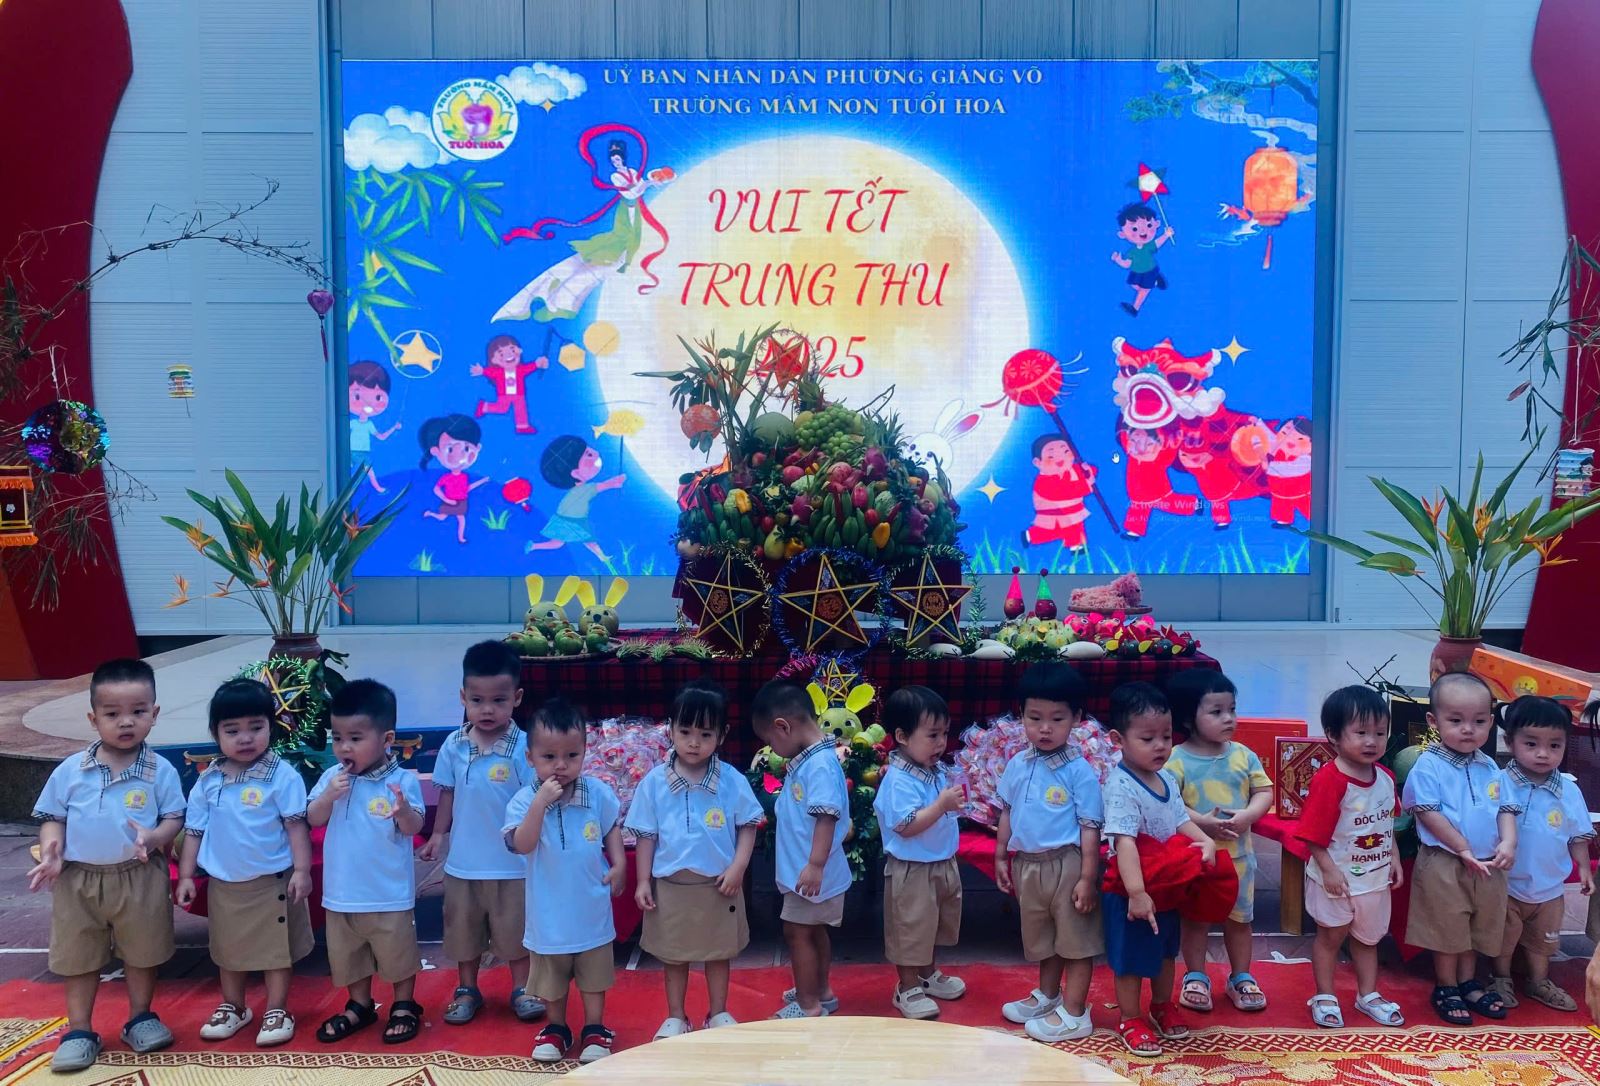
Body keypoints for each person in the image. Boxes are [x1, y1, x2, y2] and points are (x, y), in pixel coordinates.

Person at [27, 659, 186, 1072]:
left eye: (138, 711)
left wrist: (156, 836)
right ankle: (80, 1030)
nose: (126, 722)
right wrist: (51, 850)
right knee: (78, 955)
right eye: (112, 714)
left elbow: (174, 817)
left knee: (143, 951)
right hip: (79, 879)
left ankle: (141, 1017)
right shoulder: (71, 771)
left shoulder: (161, 771)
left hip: (139, 875)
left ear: (154, 713)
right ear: (93, 718)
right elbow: (52, 817)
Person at [176, 679, 313, 1047]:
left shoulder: (282, 776)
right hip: (225, 886)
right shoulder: (208, 781)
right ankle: (234, 1006)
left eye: (256, 727)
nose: (245, 738)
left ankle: (277, 1009)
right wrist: (186, 876)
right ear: (216, 733)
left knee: (275, 951)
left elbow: (296, 826)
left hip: (272, 882)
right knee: (227, 951)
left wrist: (302, 871)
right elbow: (194, 831)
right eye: (232, 730)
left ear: (271, 727)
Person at [626, 680, 763, 1038]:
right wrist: (643, 881)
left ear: (722, 734)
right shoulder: (654, 782)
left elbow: (749, 825)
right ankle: (676, 1016)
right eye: (685, 731)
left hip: (719, 885)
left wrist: (738, 867)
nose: (693, 742)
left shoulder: (731, 780)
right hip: (671, 886)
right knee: (674, 955)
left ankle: (717, 1012)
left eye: (705, 734)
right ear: (670, 729)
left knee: (718, 953)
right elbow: (646, 835)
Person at [417, 641, 540, 1026]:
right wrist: (438, 835)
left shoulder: (526, 748)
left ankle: (523, 989)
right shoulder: (453, 746)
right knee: (463, 934)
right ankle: (467, 990)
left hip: (512, 865)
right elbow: (447, 794)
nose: (487, 710)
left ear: (517, 698)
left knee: (516, 934)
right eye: (477, 700)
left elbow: (535, 799)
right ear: (463, 698)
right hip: (463, 865)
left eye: (498, 700)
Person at [505, 697, 626, 1064]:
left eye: (572, 755)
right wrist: (539, 803)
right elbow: (522, 844)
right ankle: (557, 1028)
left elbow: (611, 828)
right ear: (530, 758)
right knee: (551, 980)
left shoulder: (597, 794)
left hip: (591, 911)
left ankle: (594, 1028)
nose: (561, 765)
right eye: (549, 757)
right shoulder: (523, 801)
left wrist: (619, 863)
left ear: (585, 752)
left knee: (594, 977)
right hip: (548, 917)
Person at [1100, 682, 1217, 1056]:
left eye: (1166, 737)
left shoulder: (1166, 778)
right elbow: (1124, 842)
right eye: (1147, 738)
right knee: (1132, 959)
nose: (1160, 746)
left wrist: (1205, 840)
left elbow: (1180, 820)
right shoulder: (1121, 785)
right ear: (1118, 739)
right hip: (1131, 889)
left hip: (1166, 884)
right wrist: (1137, 893)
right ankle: (1129, 1017)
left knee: (1167, 951)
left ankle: (1162, 1004)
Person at [307, 679, 426, 1045]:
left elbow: (414, 826)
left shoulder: (401, 781)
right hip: (342, 893)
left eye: (356, 738)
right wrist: (327, 797)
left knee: (397, 954)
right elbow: (313, 817)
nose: (344, 747)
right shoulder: (332, 778)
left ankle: (403, 1004)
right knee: (349, 956)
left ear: (387, 739)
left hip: (388, 894)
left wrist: (403, 811)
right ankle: (359, 1004)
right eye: (337, 737)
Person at [992, 664, 1104, 1041]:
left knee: (1076, 939)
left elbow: (1090, 827)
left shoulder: (1079, 772)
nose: (1044, 728)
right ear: (1020, 716)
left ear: (1077, 718)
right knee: (1044, 937)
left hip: (1067, 864)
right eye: (1034, 717)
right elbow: (1006, 811)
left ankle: (1075, 1012)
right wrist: (1001, 856)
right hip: (1027, 865)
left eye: (1057, 719)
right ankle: (1049, 995)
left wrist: (1087, 878)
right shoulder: (1017, 763)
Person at [1401, 671, 1515, 1026]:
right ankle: (1446, 985)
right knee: (1447, 926)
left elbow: (1505, 808)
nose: (1468, 729)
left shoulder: (1489, 765)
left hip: (1487, 863)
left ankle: (1469, 982)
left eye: (1479, 721)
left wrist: (1508, 841)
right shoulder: (1429, 765)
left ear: (1491, 722)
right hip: (1446, 861)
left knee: (1478, 925)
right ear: (1433, 721)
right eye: (1456, 721)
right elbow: (1428, 812)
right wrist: (1462, 847)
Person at [1295, 686, 1405, 1028]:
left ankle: (1367, 994)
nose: (1372, 741)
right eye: (1361, 733)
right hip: (1337, 879)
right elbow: (1312, 834)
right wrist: (1328, 870)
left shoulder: (1385, 778)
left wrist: (1394, 857)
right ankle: (1324, 994)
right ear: (1334, 735)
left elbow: (1387, 822)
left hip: (1374, 879)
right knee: (1331, 937)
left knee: (1368, 939)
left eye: (1380, 733)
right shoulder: (1330, 781)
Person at [1165, 669, 1273, 1014]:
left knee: (1240, 921)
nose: (1229, 718)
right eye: (1216, 711)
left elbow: (1264, 791)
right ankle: (1196, 975)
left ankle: (1241, 976)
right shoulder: (1176, 760)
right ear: (1188, 718)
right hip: (1197, 860)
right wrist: (1203, 824)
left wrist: (1248, 815)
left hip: (1239, 859)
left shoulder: (1242, 755)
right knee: (1196, 921)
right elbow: (1170, 804)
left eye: (1232, 709)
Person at [750, 680, 851, 1020]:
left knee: (797, 933)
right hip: (808, 871)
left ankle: (808, 1004)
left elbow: (826, 815)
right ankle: (821, 990)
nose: (772, 749)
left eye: (770, 741)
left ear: (783, 727)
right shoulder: (813, 760)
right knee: (813, 930)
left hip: (811, 873)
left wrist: (815, 865)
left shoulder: (819, 765)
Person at [1489, 695, 1594, 1012]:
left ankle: (1538, 980)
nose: (1543, 753)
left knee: (1543, 941)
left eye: (1554, 745)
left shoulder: (1569, 789)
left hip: (1549, 887)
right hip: (1506, 884)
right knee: (1502, 938)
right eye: (1531, 743)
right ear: (1510, 741)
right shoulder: (1499, 783)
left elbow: (1577, 833)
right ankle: (1500, 978)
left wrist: (1584, 868)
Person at [874, 686, 967, 1021]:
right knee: (910, 930)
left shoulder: (934, 770)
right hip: (912, 869)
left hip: (940, 862)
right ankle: (907, 985)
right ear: (902, 736)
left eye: (945, 733)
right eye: (932, 735)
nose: (941, 743)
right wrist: (942, 805)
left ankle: (927, 975)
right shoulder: (898, 780)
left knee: (933, 925)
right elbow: (906, 825)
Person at [525, 436, 626, 562]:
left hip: (562, 518)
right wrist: (617, 481)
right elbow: (604, 486)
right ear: (576, 473)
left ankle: (534, 546)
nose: (596, 453)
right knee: (588, 541)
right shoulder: (585, 489)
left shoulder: (577, 490)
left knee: (558, 543)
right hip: (574, 520)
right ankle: (603, 557)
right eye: (589, 454)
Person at [419, 414, 490, 544]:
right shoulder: (446, 477)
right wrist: (446, 499)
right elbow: (436, 489)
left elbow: (467, 488)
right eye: (450, 449)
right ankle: (430, 514)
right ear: (436, 451)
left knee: (461, 519)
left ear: (477, 448)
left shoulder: (464, 477)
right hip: (450, 501)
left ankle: (461, 538)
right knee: (442, 517)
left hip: (461, 501)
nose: (460, 457)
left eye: (467, 448)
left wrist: (482, 481)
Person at [1023, 435, 1097, 551]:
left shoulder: (1073, 469)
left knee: (1072, 528)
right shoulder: (1043, 481)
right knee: (1054, 530)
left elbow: (1088, 470)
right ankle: (1030, 536)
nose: (1060, 458)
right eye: (1051, 456)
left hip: (1073, 510)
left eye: (1066, 452)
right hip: (1054, 513)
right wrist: (1087, 484)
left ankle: (1076, 546)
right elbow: (1065, 492)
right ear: (1038, 462)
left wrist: (1088, 470)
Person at [471, 334, 546, 435]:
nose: (509, 355)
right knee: (502, 408)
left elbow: (530, 367)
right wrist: (482, 370)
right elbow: (490, 372)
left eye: (512, 350)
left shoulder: (520, 370)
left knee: (521, 409)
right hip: (504, 394)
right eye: (501, 354)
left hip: (519, 394)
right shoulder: (498, 372)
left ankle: (522, 426)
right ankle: (484, 406)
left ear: (519, 351)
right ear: (493, 360)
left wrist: (538, 363)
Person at [1110, 203, 1174, 317]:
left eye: (1149, 225)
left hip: (1150, 271)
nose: (1143, 231)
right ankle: (1156, 281)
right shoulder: (1132, 252)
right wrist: (1118, 260)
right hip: (1137, 272)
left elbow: (1158, 243)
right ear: (1122, 234)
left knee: (1144, 290)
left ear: (1156, 224)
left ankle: (1135, 308)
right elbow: (1127, 264)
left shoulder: (1148, 246)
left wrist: (1166, 235)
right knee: (1134, 285)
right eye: (1134, 229)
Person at [347, 360, 401, 493]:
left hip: (363, 452)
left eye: (378, 397)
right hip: (350, 452)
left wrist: (394, 428)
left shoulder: (369, 424)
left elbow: (381, 437)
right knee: (346, 470)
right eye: (357, 396)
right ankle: (348, 490)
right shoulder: (352, 423)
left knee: (369, 471)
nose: (367, 404)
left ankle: (377, 488)